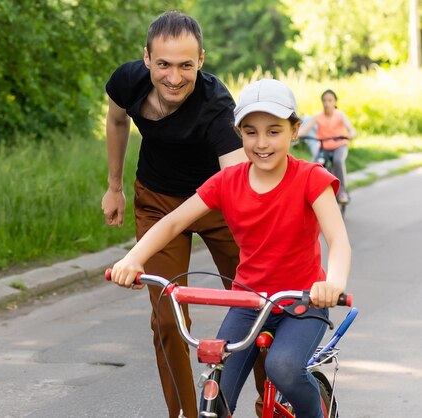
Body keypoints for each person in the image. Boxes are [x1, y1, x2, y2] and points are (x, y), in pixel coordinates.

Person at [109, 78, 351, 417]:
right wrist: (134, 258)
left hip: (301, 302)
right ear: (239, 133)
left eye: (274, 131)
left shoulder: (310, 178)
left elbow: (337, 239)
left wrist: (332, 284)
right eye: (251, 132)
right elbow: (174, 221)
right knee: (215, 391)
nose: (262, 142)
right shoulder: (227, 182)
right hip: (249, 303)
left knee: (282, 367)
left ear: (294, 131)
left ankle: (318, 412)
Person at [101, 10, 257, 418]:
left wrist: (264, 237)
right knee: (167, 320)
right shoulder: (127, 81)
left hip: (219, 205)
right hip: (157, 202)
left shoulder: (217, 107)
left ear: (201, 61)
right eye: (164, 64)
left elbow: (239, 181)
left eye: (186, 65)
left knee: (258, 307)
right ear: (147, 59)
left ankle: (271, 402)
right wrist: (114, 187)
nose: (174, 77)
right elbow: (117, 121)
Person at [299, 89, 356, 204]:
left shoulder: (340, 115)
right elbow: (305, 129)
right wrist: (294, 136)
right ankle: (310, 193)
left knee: (338, 161)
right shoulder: (318, 116)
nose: (327, 103)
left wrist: (351, 135)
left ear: (335, 102)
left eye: (330, 100)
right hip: (324, 146)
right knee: (314, 165)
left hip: (339, 145)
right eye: (324, 100)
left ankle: (342, 192)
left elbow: (351, 129)